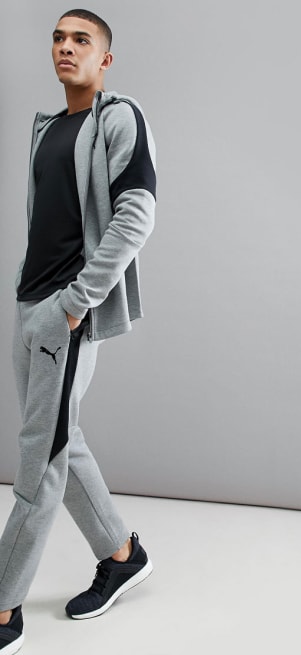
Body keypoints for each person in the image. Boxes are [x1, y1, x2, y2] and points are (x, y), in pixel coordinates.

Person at [0, 8, 156, 653]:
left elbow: (136, 213)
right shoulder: (48, 128)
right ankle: (121, 554)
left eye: (81, 39)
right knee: (60, 440)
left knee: (39, 459)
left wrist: (75, 303)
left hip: (63, 313)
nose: (66, 47)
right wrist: (30, 295)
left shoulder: (118, 117)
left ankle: (2, 606)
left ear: (105, 58)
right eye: (59, 38)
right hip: (31, 306)